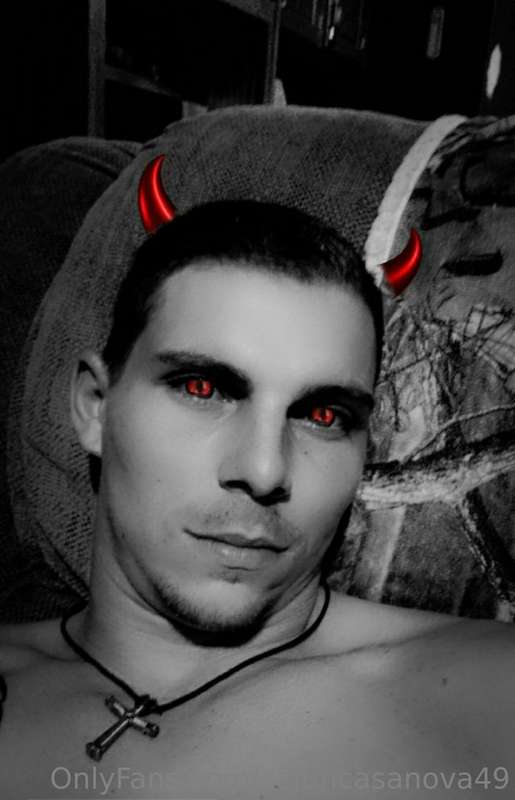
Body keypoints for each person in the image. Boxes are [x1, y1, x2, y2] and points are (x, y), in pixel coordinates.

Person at [0, 195, 513, 800]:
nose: (265, 470)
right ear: (96, 408)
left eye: (324, 416)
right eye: (203, 387)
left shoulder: (487, 691)